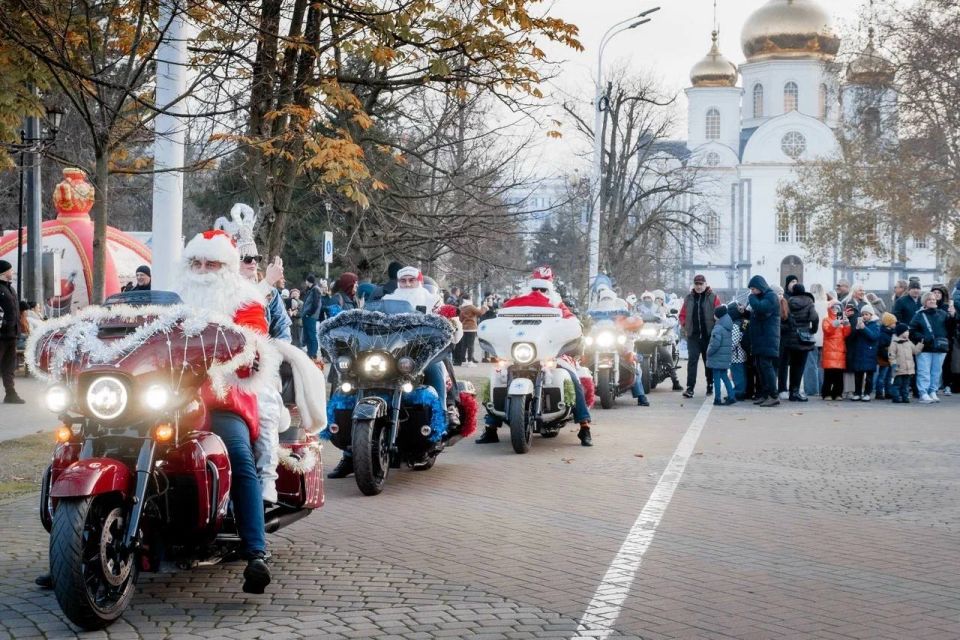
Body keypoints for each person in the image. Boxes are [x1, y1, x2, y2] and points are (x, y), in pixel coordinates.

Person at [174, 229, 273, 593]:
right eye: (195, 262)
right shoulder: (170, 298)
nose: (202, 269)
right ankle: (73, 550)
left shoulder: (245, 301)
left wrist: (243, 355)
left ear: (227, 267)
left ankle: (255, 551)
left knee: (238, 456)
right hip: (165, 395)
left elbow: (253, 345)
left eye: (211, 263)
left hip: (222, 394)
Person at [476, 266, 595, 446]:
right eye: (535, 289)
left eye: (543, 289)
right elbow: (502, 323)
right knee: (496, 378)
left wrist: (571, 332)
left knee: (572, 379)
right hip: (517, 354)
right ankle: (491, 428)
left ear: (550, 288)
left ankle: (584, 427)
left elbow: (572, 323)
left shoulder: (558, 306)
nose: (538, 293)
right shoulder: (516, 305)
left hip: (552, 355)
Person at [679, 274, 721, 398]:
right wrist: (685, 324)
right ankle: (690, 388)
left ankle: (710, 384)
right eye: (696, 284)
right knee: (692, 360)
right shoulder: (688, 298)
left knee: (708, 361)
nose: (698, 286)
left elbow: (719, 314)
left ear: (705, 284)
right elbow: (682, 315)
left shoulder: (713, 298)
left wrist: (716, 329)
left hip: (708, 336)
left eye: (700, 284)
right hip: (693, 336)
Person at [909, 291, 954, 403]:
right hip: (925, 348)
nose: (933, 301)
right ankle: (923, 393)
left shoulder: (943, 313)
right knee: (924, 371)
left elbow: (951, 328)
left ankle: (932, 391)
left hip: (940, 347)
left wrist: (953, 316)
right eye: (930, 299)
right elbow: (912, 330)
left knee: (936, 371)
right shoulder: (919, 314)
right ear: (925, 302)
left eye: (934, 299)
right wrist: (923, 337)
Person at [746, 275, 780, 407]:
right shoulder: (760, 297)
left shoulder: (771, 296)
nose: (752, 292)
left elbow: (762, 309)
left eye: (754, 289)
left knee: (766, 366)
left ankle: (773, 395)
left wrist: (751, 298)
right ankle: (765, 394)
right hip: (760, 337)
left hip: (768, 337)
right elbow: (757, 314)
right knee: (760, 367)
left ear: (760, 286)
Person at [782, 283, 819, 402]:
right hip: (804, 338)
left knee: (792, 365)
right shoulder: (809, 301)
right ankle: (795, 391)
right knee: (800, 366)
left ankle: (791, 392)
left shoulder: (789, 301)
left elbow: (784, 317)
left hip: (790, 338)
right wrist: (813, 330)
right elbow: (814, 318)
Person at [0, 260, 23, 404]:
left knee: (9, 366)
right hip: (1, 334)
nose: (12, 272)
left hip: (12, 334)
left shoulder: (11, 289)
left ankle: (10, 394)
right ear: (3, 272)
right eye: (10, 270)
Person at [821, 302, 851, 400]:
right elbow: (827, 331)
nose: (835, 310)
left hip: (840, 349)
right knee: (829, 374)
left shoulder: (841, 320)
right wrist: (835, 324)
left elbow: (845, 334)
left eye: (837, 309)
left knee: (838, 375)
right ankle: (827, 393)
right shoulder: (826, 320)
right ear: (829, 309)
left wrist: (847, 325)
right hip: (829, 350)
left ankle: (838, 393)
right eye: (833, 308)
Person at [850, 305, 881, 401]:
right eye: (863, 314)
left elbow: (874, 337)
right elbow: (852, 337)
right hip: (859, 354)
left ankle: (867, 393)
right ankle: (857, 393)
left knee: (869, 376)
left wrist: (864, 328)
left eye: (866, 314)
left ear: (871, 315)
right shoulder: (859, 324)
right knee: (858, 376)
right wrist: (856, 328)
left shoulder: (875, 325)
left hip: (870, 354)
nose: (864, 316)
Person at [803, 283, 828, 398]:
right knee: (821, 365)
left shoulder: (810, 304)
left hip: (811, 337)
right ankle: (823, 388)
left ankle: (812, 389)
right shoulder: (829, 305)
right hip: (826, 338)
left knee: (810, 365)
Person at [706, 305, 735, 405]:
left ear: (717, 315)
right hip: (724, 357)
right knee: (725, 377)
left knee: (717, 379)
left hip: (717, 357)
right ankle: (731, 396)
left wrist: (708, 352)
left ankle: (717, 398)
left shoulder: (718, 327)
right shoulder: (727, 326)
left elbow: (715, 344)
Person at [888, 323, 920, 403]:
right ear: (901, 333)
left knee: (906, 384)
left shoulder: (909, 342)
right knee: (897, 384)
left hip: (908, 368)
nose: (908, 333)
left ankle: (905, 397)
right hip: (898, 368)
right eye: (906, 331)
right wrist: (894, 364)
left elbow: (915, 351)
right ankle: (896, 397)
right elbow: (891, 355)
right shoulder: (894, 343)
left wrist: (920, 344)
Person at [457, 294, 487, 366]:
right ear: (469, 299)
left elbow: (460, 319)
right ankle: (470, 361)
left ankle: (463, 361)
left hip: (464, 328)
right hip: (471, 328)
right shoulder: (471, 307)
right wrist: (484, 307)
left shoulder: (462, 307)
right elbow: (480, 313)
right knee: (471, 345)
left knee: (464, 345)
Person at [875, 312, 897, 400]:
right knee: (882, 376)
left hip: (890, 358)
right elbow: (881, 347)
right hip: (884, 358)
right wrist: (887, 355)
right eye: (893, 323)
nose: (895, 324)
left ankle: (888, 392)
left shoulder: (893, 333)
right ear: (888, 323)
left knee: (889, 376)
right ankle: (879, 392)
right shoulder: (883, 334)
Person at [300, 275, 322, 358]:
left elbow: (315, 304)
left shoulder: (315, 289)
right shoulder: (311, 290)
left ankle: (313, 353)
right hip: (307, 315)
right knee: (308, 335)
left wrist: (309, 313)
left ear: (308, 281)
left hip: (310, 316)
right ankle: (310, 353)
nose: (305, 282)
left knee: (311, 335)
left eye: (306, 281)